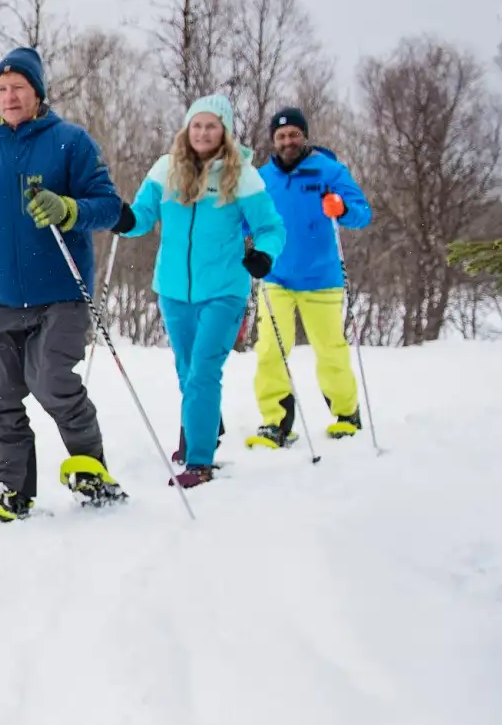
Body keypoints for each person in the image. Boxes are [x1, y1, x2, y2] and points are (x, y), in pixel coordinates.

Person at [0, 46, 128, 518]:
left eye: (18, 87)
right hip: (1, 299)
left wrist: (69, 208)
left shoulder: (70, 142)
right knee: (0, 392)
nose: (9, 96)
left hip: (62, 294)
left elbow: (109, 205)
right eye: (1, 88)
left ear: (37, 93)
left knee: (50, 377)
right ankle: (12, 487)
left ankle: (90, 468)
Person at [113, 94, 285, 487]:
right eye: (197, 125)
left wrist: (264, 254)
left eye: (211, 125)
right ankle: (199, 428)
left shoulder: (241, 175)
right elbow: (142, 217)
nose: (203, 132)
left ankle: (199, 461)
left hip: (224, 289)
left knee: (204, 371)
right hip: (174, 290)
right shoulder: (165, 170)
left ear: (223, 131)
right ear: (187, 130)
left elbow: (271, 227)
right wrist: (124, 219)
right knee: (187, 371)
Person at [249, 106, 373, 445]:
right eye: (281, 136)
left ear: (304, 136)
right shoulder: (260, 179)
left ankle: (346, 414)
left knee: (329, 348)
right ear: (273, 141)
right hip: (276, 278)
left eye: (294, 134)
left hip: (322, 279)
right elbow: (244, 219)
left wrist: (343, 209)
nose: (288, 141)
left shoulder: (329, 171)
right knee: (271, 349)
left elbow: (362, 214)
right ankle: (275, 422)